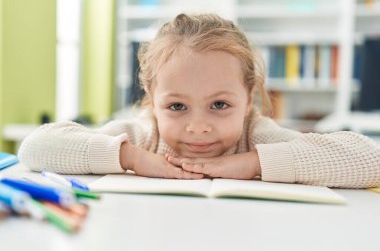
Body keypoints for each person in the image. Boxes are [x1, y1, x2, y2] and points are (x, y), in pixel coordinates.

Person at [19, 13, 380, 188]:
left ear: (249, 95)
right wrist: (128, 156)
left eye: (220, 105)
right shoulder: (143, 135)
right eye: (176, 106)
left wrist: (252, 163)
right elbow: (35, 147)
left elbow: (371, 159)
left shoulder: (255, 133)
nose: (198, 127)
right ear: (152, 99)